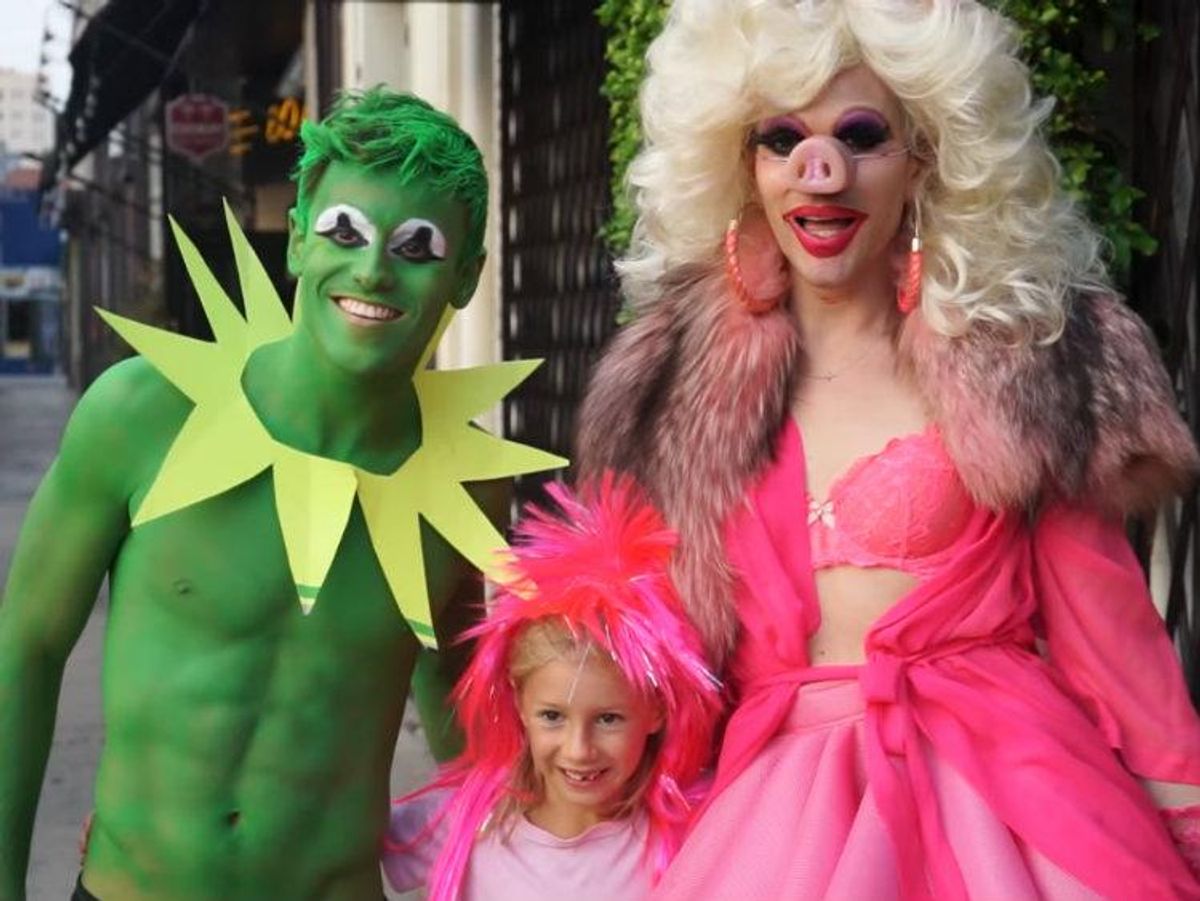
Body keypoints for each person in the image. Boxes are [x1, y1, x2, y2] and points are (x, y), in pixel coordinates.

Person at [576, 1, 1200, 897]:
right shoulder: (671, 391)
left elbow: (1111, 636)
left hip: (998, 802)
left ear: (925, 159)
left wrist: (1186, 821)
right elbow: (641, 652)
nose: (820, 169)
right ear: (742, 166)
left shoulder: (1018, 361)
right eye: (781, 138)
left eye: (861, 135)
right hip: (771, 825)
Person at [0, 88, 561, 900]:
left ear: (466, 276)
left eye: (417, 246)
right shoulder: (142, 413)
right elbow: (27, 648)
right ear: (298, 239)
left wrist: (544, 852)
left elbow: (456, 700)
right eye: (344, 232)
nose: (372, 269)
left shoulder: (467, 482)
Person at [382, 477, 721, 901]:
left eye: (608, 719)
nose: (579, 749)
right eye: (552, 716)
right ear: (518, 703)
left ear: (656, 709)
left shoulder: (696, 831)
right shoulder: (457, 822)